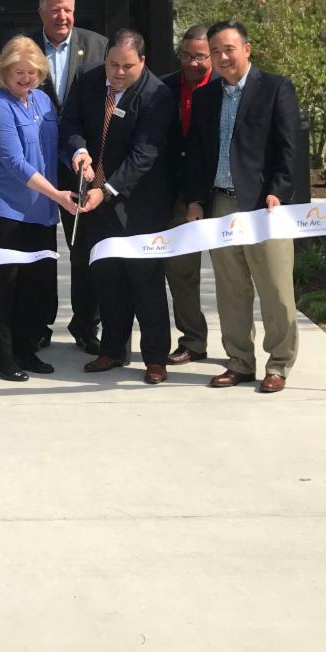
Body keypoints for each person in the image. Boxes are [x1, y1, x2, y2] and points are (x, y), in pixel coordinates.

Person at [186, 20, 301, 393]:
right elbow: (199, 154)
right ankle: (239, 362)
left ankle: (279, 364)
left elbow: (289, 149)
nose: (221, 57)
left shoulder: (275, 88)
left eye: (228, 49)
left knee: (276, 292)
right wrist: (196, 199)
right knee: (231, 291)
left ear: (246, 49)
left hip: (264, 208)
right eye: (215, 51)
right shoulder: (206, 97)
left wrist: (278, 192)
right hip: (220, 204)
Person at [60, 29, 175, 384]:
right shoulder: (89, 79)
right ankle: (112, 350)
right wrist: (80, 152)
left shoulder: (157, 95)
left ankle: (155, 358)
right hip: (97, 201)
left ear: (143, 61)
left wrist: (106, 189)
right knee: (106, 278)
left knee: (145, 282)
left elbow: (144, 154)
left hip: (139, 202)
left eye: (127, 66)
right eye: (113, 64)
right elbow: (72, 122)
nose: (118, 73)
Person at [0, 36, 77, 381]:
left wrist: (80, 158)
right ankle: (2, 356)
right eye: (19, 72)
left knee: (35, 283)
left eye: (32, 72)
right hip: (3, 208)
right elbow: (14, 162)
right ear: (3, 71)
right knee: (7, 282)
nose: (26, 79)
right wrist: (59, 196)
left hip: (40, 207)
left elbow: (56, 146)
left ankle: (26, 349)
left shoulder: (43, 101)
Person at [31, 0, 107, 354]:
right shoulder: (26, 50)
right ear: (42, 13)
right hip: (40, 167)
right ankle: (40, 322)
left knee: (84, 249)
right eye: (55, 9)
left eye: (67, 9)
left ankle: (85, 325)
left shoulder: (97, 46)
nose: (62, 16)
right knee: (43, 248)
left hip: (82, 165)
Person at [161, 25, 214, 365]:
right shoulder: (164, 87)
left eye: (200, 56)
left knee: (236, 272)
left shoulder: (226, 89)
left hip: (220, 190)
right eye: (186, 56)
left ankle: (245, 349)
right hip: (177, 193)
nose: (192, 63)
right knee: (181, 272)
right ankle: (193, 340)